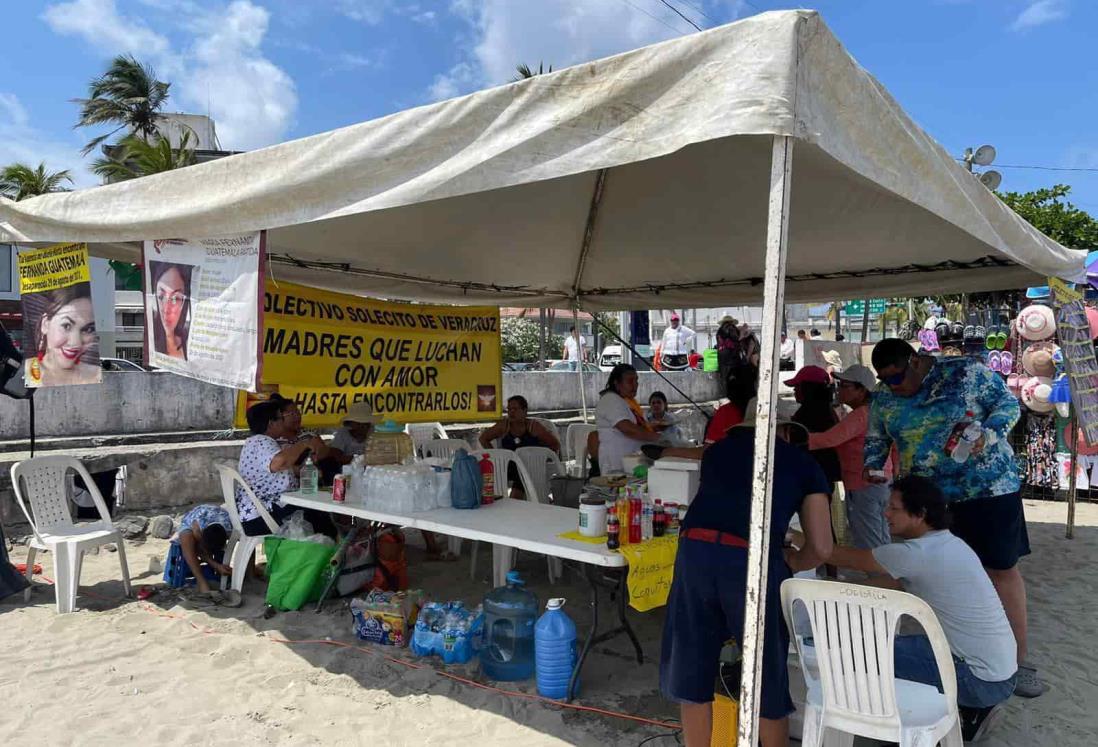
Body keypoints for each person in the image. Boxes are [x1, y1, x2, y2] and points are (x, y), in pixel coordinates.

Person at [864, 338, 1042, 697]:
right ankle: (942, 655)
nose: (894, 388)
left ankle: (1017, 663)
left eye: (897, 378)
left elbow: (1008, 405)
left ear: (914, 361)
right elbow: (876, 436)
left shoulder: (964, 372)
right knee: (925, 573)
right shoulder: (884, 396)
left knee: (1000, 569)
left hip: (987, 489)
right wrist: (872, 464)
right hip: (926, 500)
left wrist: (987, 436)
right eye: (885, 381)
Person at [660, 403, 833, 747]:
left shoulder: (717, 453)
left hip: (694, 551)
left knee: (693, 671)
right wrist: (794, 561)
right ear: (786, 431)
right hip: (750, 558)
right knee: (766, 677)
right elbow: (823, 548)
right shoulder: (804, 464)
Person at [822, 476, 1017, 741]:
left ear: (920, 514)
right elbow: (892, 584)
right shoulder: (950, 543)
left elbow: (833, 554)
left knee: (863, 655)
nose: (885, 513)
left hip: (977, 679)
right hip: (1002, 673)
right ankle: (969, 712)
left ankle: (902, 730)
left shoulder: (914, 554)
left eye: (894, 508)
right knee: (901, 646)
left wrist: (787, 537)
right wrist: (833, 587)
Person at [807, 364, 892, 549]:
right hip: (880, 481)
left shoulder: (861, 415)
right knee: (881, 537)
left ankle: (879, 577)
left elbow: (829, 439)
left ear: (861, 390)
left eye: (845, 386)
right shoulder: (876, 411)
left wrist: (793, 437)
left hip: (864, 484)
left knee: (869, 540)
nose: (839, 390)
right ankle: (886, 576)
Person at [237, 399, 332, 537]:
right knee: (319, 514)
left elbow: (277, 471)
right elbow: (279, 463)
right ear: (271, 424)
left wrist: (304, 471)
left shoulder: (256, 442)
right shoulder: (261, 441)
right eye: (281, 419)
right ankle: (327, 555)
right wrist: (303, 444)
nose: (283, 422)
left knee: (317, 509)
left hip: (260, 511)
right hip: (261, 515)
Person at [479, 395, 560, 497]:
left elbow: (555, 444)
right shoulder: (504, 426)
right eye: (509, 409)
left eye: (515, 409)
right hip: (509, 466)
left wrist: (543, 459)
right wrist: (496, 456)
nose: (511, 412)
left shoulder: (533, 427)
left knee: (519, 481)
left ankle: (514, 501)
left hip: (530, 466)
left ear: (524, 411)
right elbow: (483, 438)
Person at [26, 283, 100, 387]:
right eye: (66, 326)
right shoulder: (27, 372)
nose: (76, 343)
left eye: (88, 329)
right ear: (45, 324)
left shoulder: (94, 374)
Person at [596, 364, 661, 473]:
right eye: (630, 381)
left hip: (632, 463)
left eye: (636, 381)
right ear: (617, 383)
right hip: (616, 465)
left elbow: (638, 426)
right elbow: (628, 429)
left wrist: (653, 428)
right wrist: (659, 438)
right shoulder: (610, 399)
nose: (635, 385)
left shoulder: (628, 401)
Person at [785, 366, 841, 487]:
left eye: (797, 386)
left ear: (808, 388)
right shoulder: (825, 409)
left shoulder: (812, 413)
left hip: (813, 478)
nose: (794, 390)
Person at [171, 504, 232, 594]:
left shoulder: (228, 528)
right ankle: (201, 581)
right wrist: (216, 565)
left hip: (214, 515)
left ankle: (217, 576)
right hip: (191, 520)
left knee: (216, 549)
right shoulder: (198, 530)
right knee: (187, 539)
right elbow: (199, 551)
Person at [150, 262, 193, 360]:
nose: (166, 309)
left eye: (175, 299)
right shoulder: (152, 340)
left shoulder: (190, 339)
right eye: (161, 297)